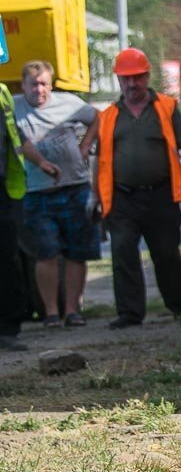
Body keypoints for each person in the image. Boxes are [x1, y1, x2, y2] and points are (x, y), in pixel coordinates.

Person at [95, 47, 181, 329]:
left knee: (166, 252)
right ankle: (130, 314)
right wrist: (94, 196)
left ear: (147, 76)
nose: (132, 85)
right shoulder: (108, 116)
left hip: (161, 195)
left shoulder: (166, 107)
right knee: (122, 251)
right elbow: (101, 159)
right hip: (122, 198)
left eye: (137, 78)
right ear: (118, 80)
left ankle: (178, 306)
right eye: (126, 79)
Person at [15, 61, 101, 327]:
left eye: (44, 84)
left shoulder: (68, 103)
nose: (39, 90)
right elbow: (17, 139)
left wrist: (86, 145)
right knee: (46, 253)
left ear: (51, 85)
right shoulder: (14, 107)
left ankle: (73, 310)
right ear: (24, 85)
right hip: (37, 191)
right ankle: (51, 312)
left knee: (78, 251)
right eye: (34, 84)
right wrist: (40, 161)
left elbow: (98, 117)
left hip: (75, 186)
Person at [1, 81, 61, 351]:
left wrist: (40, 162)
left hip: (4, 191)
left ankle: (7, 329)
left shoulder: (2, 93)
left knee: (7, 260)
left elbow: (17, 136)